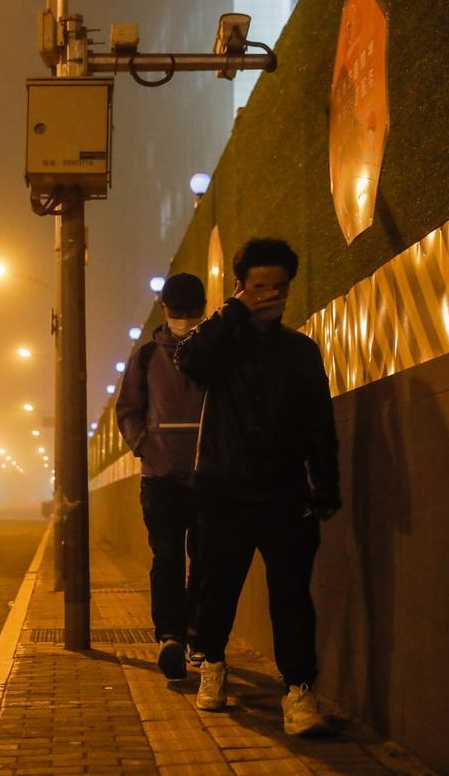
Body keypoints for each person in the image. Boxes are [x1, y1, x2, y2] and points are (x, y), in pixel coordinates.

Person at [172, 238, 340, 736]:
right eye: (259, 287)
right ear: (241, 287)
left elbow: (319, 422)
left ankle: (298, 692)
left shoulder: (300, 350)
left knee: (291, 596)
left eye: (279, 288)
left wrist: (325, 482)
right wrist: (232, 312)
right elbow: (188, 360)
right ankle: (214, 667)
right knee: (216, 589)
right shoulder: (221, 345)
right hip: (221, 492)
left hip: (285, 493)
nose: (270, 296)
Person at [116, 273, 207, 680]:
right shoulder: (147, 357)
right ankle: (171, 637)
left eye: (191, 312)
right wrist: (146, 447)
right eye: (177, 312)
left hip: (211, 476)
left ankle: (199, 634)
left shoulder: (216, 352)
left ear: (203, 310)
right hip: (161, 478)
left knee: (207, 561)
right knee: (167, 558)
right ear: (165, 311)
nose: (184, 319)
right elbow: (128, 410)